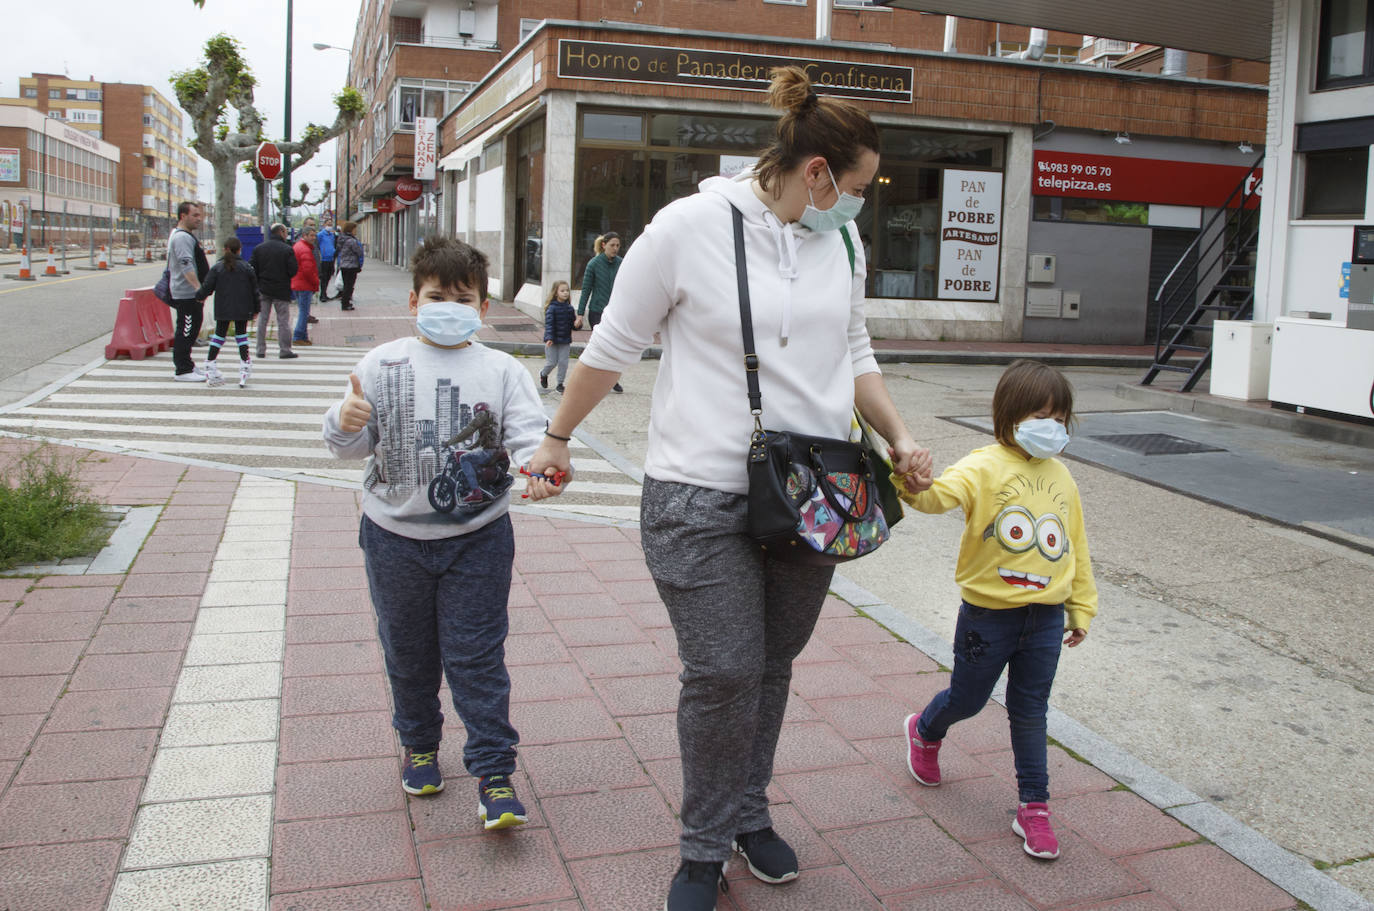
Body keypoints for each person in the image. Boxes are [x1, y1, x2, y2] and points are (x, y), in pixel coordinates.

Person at [526, 66, 933, 911]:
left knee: (771, 664)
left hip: (816, 491)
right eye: (857, 187)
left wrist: (898, 435)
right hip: (698, 492)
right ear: (816, 172)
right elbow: (614, 345)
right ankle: (703, 846)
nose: (863, 204)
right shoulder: (688, 227)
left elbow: (854, 349)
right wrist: (558, 437)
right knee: (724, 668)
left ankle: (749, 808)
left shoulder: (842, 242)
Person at [322, 236, 565, 829]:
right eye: (437, 295)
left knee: (477, 657)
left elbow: (531, 438)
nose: (449, 305)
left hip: (479, 538)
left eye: (463, 297)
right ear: (414, 300)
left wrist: (547, 470)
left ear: (482, 308)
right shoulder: (381, 364)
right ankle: (421, 744)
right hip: (392, 537)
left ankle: (494, 774)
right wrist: (344, 419)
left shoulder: (502, 369)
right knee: (408, 653)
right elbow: (346, 446)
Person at [897, 359, 1098, 862]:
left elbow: (1075, 546)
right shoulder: (983, 464)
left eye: (1059, 417)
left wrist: (1081, 607)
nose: (1050, 426)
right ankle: (925, 728)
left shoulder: (1062, 477)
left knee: (1030, 710)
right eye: (1038, 415)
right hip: (988, 617)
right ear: (1007, 415)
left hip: (1046, 618)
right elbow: (939, 496)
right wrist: (914, 484)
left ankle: (1034, 806)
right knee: (968, 698)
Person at [195, 236, 259, 388]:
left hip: (223, 307)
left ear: (225, 249)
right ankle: (244, 367)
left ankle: (210, 365)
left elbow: (207, 286)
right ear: (239, 250)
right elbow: (255, 290)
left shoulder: (217, 267)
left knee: (219, 335)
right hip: (243, 307)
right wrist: (256, 309)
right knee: (241, 335)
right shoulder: (247, 267)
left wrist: (199, 297)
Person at [166, 201, 210, 381]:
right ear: (183, 216)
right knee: (186, 330)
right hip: (187, 294)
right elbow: (186, 264)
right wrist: (198, 288)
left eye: (199, 215)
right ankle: (183, 369)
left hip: (190, 293)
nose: (199, 219)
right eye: (195, 215)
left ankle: (187, 364)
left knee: (191, 329)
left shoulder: (184, 235)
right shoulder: (182, 237)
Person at [575, 232, 623, 393]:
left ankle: (612, 379)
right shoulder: (593, 264)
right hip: (597, 311)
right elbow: (586, 290)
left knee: (614, 347)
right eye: (612, 245)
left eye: (617, 245)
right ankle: (592, 378)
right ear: (604, 245)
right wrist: (580, 314)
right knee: (601, 347)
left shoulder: (622, 263)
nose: (615, 248)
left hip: (615, 311)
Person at [250, 223, 300, 360]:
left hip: (264, 288)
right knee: (283, 320)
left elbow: (252, 268)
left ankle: (260, 349)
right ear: (282, 232)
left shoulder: (259, 248)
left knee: (263, 320)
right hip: (281, 289)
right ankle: (284, 349)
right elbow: (293, 270)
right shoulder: (287, 250)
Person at [539, 280, 575, 393]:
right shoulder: (552, 308)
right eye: (562, 291)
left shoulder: (570, 308)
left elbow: (573, 325)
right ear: (556, 293)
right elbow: (549, 324)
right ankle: (543, 374)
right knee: (551, 362)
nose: (565, 293)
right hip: (552, 341)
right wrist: (549, 338)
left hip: (565, 341)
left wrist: (577, 324)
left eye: (567, 290)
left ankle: (560, 384)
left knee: (563, 363)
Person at [291, 226, 319, 347]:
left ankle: (303, 336)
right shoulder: (305, 250)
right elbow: (308, 270)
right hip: (304, 284)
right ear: (305, 235)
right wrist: (315, 282)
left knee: (303, 311)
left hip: (298, 282)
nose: (313, 238)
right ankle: (298, 336)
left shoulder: (298, 246)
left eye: (314, 235)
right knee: (304, 312)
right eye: (311, 235)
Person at [335, 221, 364, 311]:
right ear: (351, 229)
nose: (356, 231)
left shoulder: (341, 239)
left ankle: (344, 302)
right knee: (349, 285)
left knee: (346, 284)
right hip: (351, 265)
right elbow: (359, 251)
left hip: (343, 265)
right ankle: (346, 303)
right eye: (355, 229)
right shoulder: (351, 240)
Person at [317, 217, 338, 302]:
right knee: (323, 277)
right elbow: (317, 245)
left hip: (331, 259)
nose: (330, 226)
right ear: (324, 225)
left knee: (329, 276)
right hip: (324, 259)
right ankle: (322, 295)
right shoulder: (320, 235)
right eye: (328, 224)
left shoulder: (332, 235)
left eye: (331, 224)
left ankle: (325, 293)